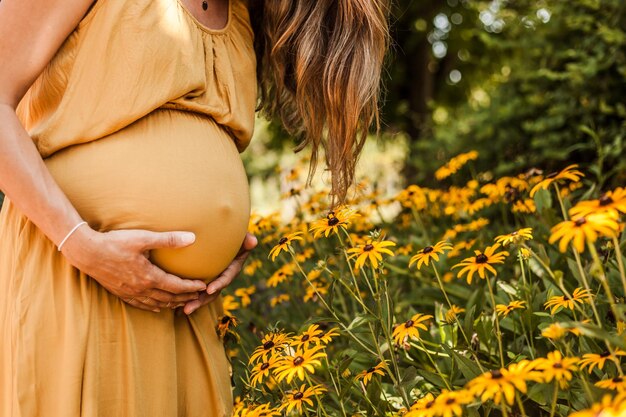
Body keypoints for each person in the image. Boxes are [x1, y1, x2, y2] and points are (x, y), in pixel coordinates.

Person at [0, 0, 389, 416]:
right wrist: (79, 243)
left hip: (185, 309)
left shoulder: (240, 13)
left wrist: (219, 240)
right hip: (75, 271)